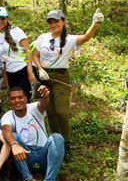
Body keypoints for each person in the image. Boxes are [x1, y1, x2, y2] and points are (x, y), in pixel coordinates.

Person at [32, 8, 104, 162]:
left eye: (56, 21)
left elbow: (85, 38)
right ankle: (56, 143)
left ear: (63, 22)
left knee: (62, 112)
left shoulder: (69, 39)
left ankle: (67, 144)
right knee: (50, 112)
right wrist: (39, 69)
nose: (53, 24)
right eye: (50, 22)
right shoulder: (43, 38)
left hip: (61, 77)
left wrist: (95, 24)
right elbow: (35, 55)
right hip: (44, 76)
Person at [1, 86, 64, 181]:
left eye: (20, 97)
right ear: (9, 101)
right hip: (26, 156)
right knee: (13, 136)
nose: (17, 100)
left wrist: (45, 96)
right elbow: (6, 130)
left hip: (44, 155)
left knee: (57, 137)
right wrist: (14, 144)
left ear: (26, 98)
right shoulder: (8, 115)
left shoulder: (34, 108)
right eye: (13, 98)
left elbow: (43, 104)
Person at [0, 7, 36, 101]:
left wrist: (30, 71)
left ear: (7, 19)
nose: (0, 21)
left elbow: (28, 51)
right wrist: (5, 79)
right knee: (15, 101)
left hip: (22, 69)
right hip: (10, 73)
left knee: (25, 99)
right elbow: (5, 61)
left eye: (2, 18)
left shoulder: (16, 31)